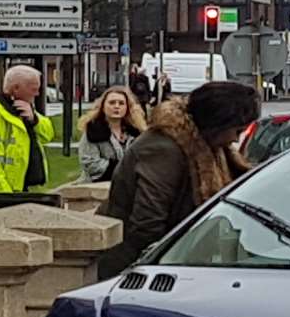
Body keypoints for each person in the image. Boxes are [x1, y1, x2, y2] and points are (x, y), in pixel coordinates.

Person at [98, 81, 258, 278]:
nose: (236, 139)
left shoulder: (209, 146)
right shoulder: (163, 149)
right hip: (139, 269)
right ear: (217, 124)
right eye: (237, 131)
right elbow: (148, 224)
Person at [0, 64, 56, 192]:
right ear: (16, 88)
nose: (37, 94)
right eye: (33, 89)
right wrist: (5, 196)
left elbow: (48, 135)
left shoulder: (23, 107)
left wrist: (34, 119)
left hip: (19, 186)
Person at [78, 85, 148, 182]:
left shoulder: (136, 133)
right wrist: (123, 169)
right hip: (97, 186)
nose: (116, 106)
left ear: (127, 107)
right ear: (103, 106)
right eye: (112, 103)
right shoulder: (92, 131)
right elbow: (89, 163)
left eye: (121, 103)